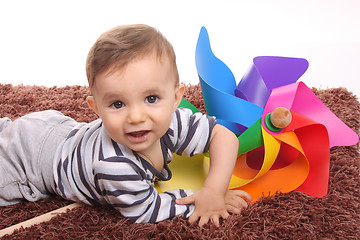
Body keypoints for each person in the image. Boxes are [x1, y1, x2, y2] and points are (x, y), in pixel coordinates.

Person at [0, 24, 252, 227]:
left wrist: (214, 189)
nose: (136, 117)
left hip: (56, 130)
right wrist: (201, 202)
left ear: (176, 98)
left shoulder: (173, 120)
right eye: (118, 104)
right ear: (96, 109)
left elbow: (223, 135)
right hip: (31, 162)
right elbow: (147, 209)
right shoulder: (113, 165)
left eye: (151, 99)